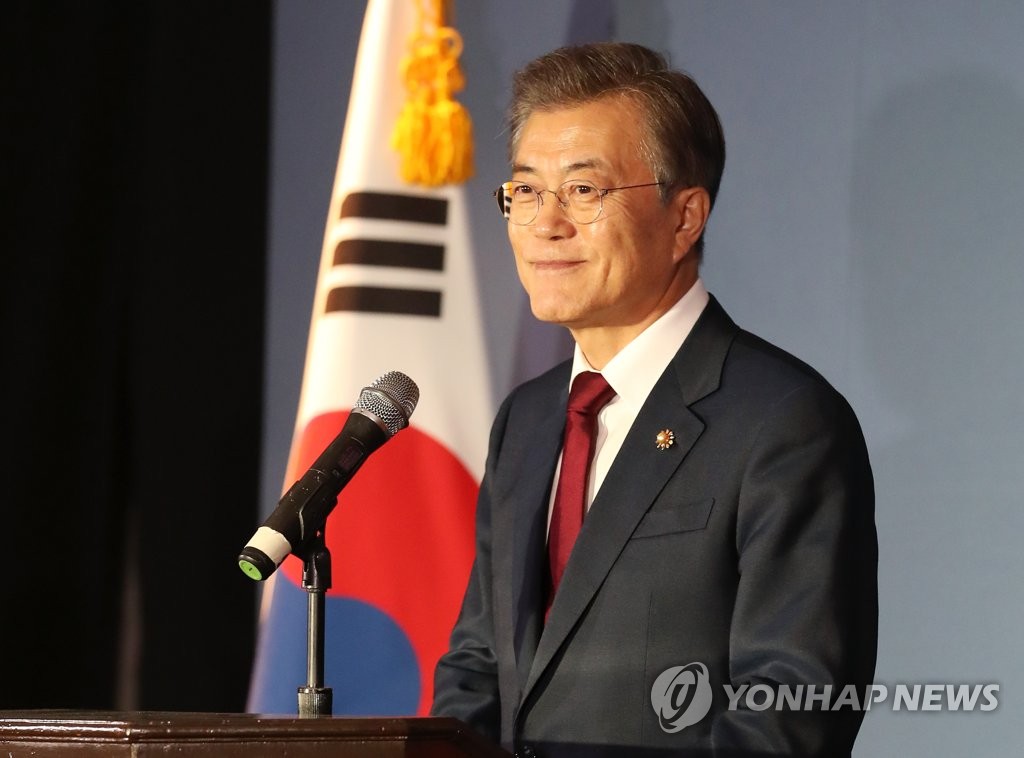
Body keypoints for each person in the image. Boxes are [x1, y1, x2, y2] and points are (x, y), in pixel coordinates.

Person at [432, 42, 877, 758]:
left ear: (685, 217)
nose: (545, 223)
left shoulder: (783, 421)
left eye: (584, 190)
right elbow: (478, 667)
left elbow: (791, 710)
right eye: (526, 191)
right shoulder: (526, 419)